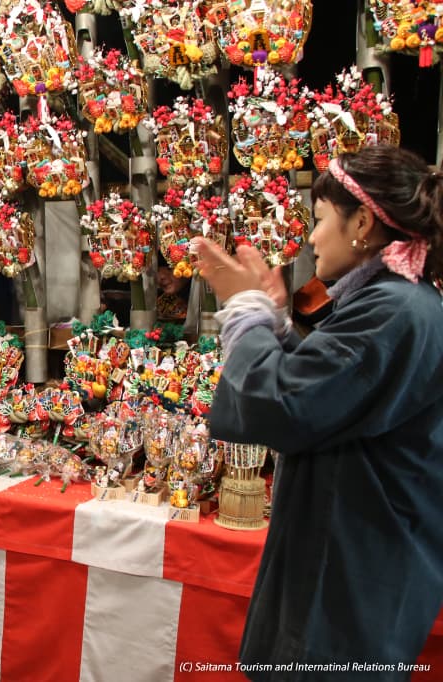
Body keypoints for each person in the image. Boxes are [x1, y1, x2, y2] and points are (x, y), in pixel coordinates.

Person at [192, 145, 443, 679]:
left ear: (362, 222)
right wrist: (279, 315)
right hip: (343, 545)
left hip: (355, 564)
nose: (310, 237)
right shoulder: (383, 298)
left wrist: (245, 311)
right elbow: (326, 368)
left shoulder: (396, 308)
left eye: (319, 219)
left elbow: (286, 403)